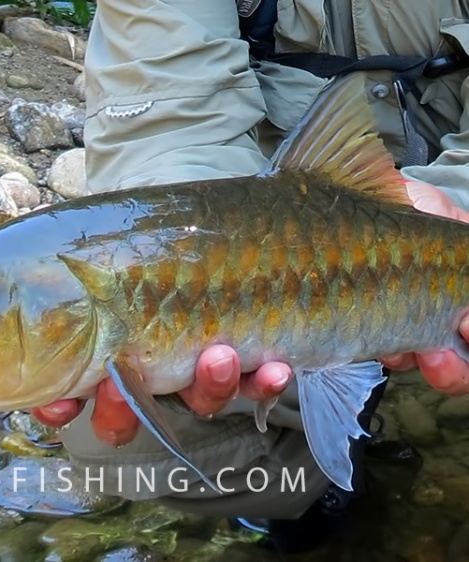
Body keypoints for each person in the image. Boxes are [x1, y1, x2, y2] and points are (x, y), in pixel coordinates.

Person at [34, 0, 469, 552]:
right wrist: (206, 283)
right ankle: (322, 476)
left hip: (444, 207)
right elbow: (168, 128)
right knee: (118, 434)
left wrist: (455, 204)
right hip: (268, 204)